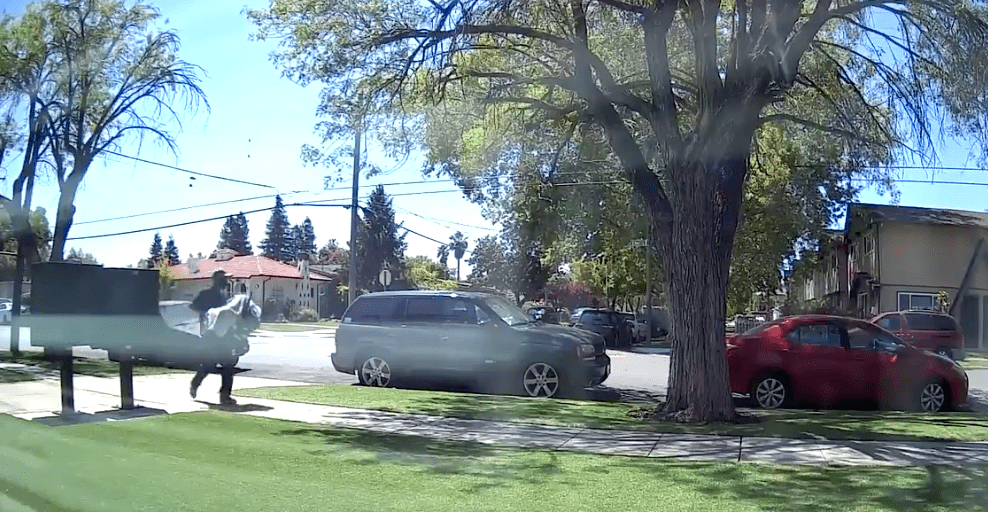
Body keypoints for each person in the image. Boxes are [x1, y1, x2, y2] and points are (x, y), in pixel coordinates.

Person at [188, 269, 236, 404]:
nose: (227, 282)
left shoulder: (223, 296)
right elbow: (193, 306)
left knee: (227, 366)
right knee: (210, 365)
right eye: (225, 279)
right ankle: (195, 383)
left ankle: (224, 396)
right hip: (210, 334)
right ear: (219, 280)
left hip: (223, 334)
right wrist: (208, 313)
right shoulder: (206, 294)